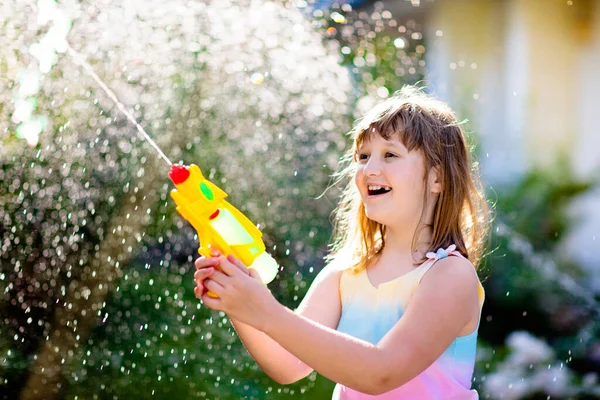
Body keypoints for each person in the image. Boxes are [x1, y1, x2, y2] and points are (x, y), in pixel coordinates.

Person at [193, 86, 490, 399]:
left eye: (390, 154)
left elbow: (381, 372)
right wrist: (239, 299)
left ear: (437, 178)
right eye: (363, 156)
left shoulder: (450, 276)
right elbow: (286, 363)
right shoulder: (345, 273)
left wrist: (266, 310)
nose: (369, 169)